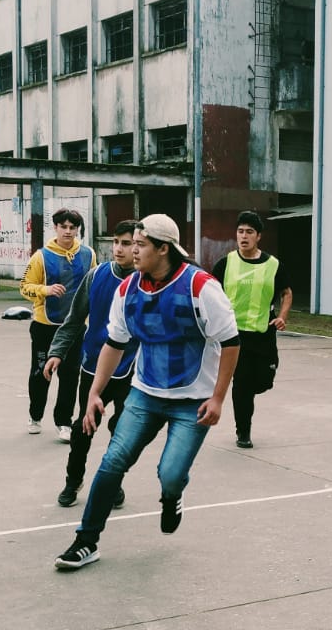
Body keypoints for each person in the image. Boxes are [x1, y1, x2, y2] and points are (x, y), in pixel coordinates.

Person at [54, 214, 239, 571]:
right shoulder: (128, 290)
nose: (132, 251)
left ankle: (172, 496)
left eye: (139, 244)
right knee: (112, 462)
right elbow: (114, 343)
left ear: (163, 248)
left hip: (192, 400)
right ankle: (86, 541)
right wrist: (95, 392)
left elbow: (230, 342)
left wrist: (217, 398)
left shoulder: (201, 287)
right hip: (145, 393)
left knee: (170, 474)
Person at [45, 220, 138, 507]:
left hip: (131, 370)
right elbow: (73, 321)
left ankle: (113, 484)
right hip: (94, 367)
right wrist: (56, 352)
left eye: (127, 243)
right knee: (83, 429)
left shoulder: (148, 283)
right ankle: (73, 481)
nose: (119, 248)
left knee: (122, 434)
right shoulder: (97, 276)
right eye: (117, 242)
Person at [209, 210, 292, 448]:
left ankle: (250, 393)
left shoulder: (273, 264)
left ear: (258, 237)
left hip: (264, 334)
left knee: (264, 380)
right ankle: (243, 432)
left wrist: (283, 316)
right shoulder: (225, 263)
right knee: (242, 384)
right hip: (234, 336)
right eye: (240, 231)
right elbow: (210, 293)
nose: (243, 236)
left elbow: (286, 292)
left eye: (249, 232)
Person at [20, 208, 95, 440]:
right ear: (56, 228)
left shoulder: (88, 254)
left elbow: (94, 285)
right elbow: (24, 287)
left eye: (73, 228)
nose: (68, 231)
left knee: (71, 375)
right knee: (40, 373)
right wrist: (45, 290)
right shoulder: (41, 256)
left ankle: (64, 422)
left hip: (75, 327)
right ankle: (35, 415)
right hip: (45, 326)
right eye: (64, 227)